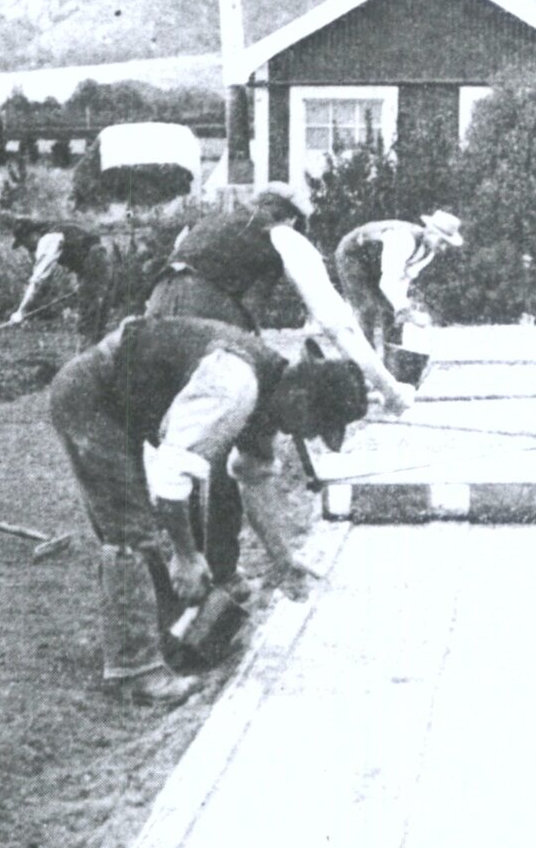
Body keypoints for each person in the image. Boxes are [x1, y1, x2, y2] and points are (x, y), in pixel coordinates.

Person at [48, 315, 372, 706]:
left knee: (143, 527)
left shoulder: (273, 393)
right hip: (93, 398)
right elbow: (171, 476)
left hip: (122, 402)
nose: (304, 437)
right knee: (128, 530)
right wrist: (187, 555)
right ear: (301, 399)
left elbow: (252, 477)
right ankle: (137, 675)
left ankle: (164, 640)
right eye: (314, 426)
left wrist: (282, 558)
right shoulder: (234, 386)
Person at [146, 183, 413, 594]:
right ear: (293, 219)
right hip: (208, 331)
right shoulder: (283, 236)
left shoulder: (206, 227)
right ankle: (211, 577)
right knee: (224, 450)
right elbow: (335, 320)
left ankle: (212, 572)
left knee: (200, 448)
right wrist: (390, 388)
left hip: (157, 326)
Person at [333, 210, 465, 357]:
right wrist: (406, 310)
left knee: (391, 314)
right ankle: (362, 363)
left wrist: (400, 311)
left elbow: (403, 280)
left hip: (376, 265)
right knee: (367, 309)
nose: (443, 248)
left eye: (446, 244)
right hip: (353, 254)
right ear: (429, 232)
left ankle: (392, 366)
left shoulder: (429, 253)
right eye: (441, 241)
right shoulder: (403, 239)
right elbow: (387, 283)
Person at [10, 218, 114, 344]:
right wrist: (83, 280)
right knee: (97, 321)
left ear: (32, 234)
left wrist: (21, 312)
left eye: (25, 242)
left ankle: (84, 359)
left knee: (88, 322)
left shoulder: (47, 239)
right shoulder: (58, 230)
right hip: (104, 260)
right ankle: (98, 358)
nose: (27, 248)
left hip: (95, 264)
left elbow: (38, 281)